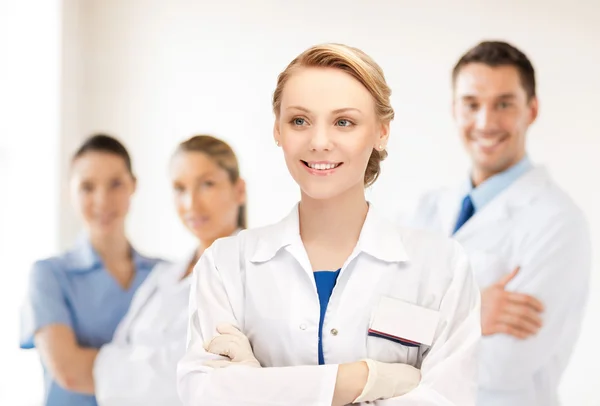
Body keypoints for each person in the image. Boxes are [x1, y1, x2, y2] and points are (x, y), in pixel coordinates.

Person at [177, 43, 481, 406]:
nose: (319, 142)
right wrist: (365, 379)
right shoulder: (225, 265)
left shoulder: (440, 266)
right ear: (277, 129)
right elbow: (205, 395)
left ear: (381, 132)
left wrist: (260, 387)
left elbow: (447, 400)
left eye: (344, 122)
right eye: (299, 121)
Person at [406, 41, 591, 406]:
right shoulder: (424, 209)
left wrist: (406, 324)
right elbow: (359, 323)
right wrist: (470, 312)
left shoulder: (558, 223)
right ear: (454, 109)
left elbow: (502, 368)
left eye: (504, 104)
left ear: (531, 110)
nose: (486, 122)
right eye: (472, 104)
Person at [91, 134, 247, 406]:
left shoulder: (251, 274)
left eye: (207, 184)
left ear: (239, 190)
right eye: (179, 188)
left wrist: (127, 366)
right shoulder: (163, 275)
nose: (191, 204)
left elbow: (200, 379)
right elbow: (112, 357)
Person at [19, 134, 163, 406]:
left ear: (133, 186)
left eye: (115, 184)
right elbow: (69, 372)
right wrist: (160, 370)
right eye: (87, 187)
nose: (102, 200)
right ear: (70, 192)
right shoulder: (49, 276)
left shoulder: (165, 275)